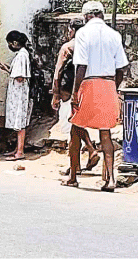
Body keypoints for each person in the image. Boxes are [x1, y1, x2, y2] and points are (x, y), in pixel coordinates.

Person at [63, 1, 128, 191]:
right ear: (102, 15)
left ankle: (73, 177)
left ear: (86, 16)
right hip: (108, 84)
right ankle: (111, 179)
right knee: (105, 133)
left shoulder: (83, 33)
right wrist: (113, 88)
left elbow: (81, 65)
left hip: (89, 83)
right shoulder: (114, 34)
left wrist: (76, 92)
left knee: (76, 130)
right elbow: (121, 68)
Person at [51, 18, 100, 176]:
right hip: (88, 89)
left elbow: (58, 72)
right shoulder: (91, 47)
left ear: (71, 30)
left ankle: (82, 159)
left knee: (73, 127)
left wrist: (55, 94)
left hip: (69, 92)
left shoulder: (68, 47)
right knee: (76, 126)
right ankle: (78, 162)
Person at [0, 31, 32, 161]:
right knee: (17, 120)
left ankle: (20, 151)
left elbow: (20, 76)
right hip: (17, 91)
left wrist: (12, 73)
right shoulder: (21, 55)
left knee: (19, 121)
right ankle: (17, 148)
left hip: (19, 92)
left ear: (15, 43)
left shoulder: (22, 55)